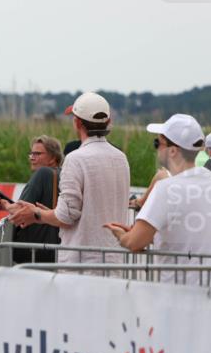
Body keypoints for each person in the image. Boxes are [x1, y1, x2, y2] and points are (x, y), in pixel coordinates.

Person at [105, 114, 211, 287]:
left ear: (173, 150)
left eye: (157, 144)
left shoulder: (167, 188)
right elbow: (190, 234)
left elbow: (134, 243)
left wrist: (122, 236)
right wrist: (147, 234)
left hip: (179, 294)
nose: (156, 148)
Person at [10, 92, 130, 265]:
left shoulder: (75, 159)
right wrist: (48, 213)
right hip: (114, 258)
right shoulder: (121, 158)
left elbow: (65, 217)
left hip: (81, 261)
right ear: (108, 122)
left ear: (78, 123)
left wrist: (37, 214)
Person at [0, 135, 62, 263]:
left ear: (53, 157)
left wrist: (6, 206)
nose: (32, 157)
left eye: (37, 154)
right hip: (58, 247)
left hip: (34, 248)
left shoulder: (42, 173)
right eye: (31, 154)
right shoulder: (63, 174)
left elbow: (21, 209)